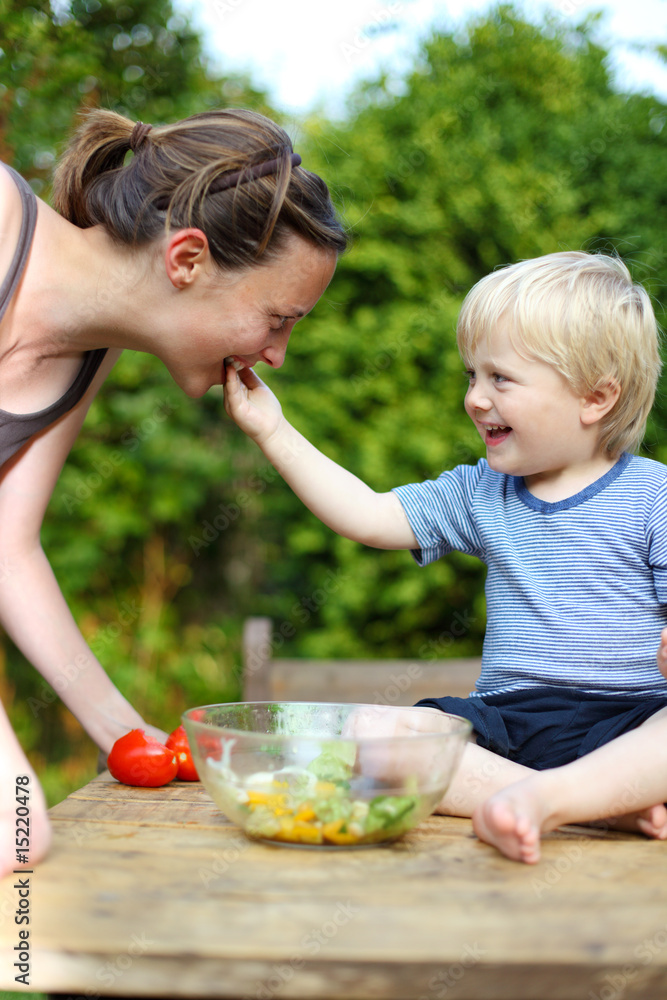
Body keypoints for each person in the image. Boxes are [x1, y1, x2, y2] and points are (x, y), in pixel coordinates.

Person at [223, 250, 667, 859]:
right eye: (472, 376)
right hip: (507, 727)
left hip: (631, 724)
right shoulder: (480, 493)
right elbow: (371, 515)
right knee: (374, 732)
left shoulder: (654, 496)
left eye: (500, 378)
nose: (475, 399)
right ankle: (589, 805)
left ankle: (574, 797)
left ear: (595, 398)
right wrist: (273, 430)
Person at [1, 106, 346, 876]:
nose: (277, 355)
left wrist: (132, 737)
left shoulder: (86, 353)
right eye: (277, 318)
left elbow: (7, 549)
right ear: (186, 259)